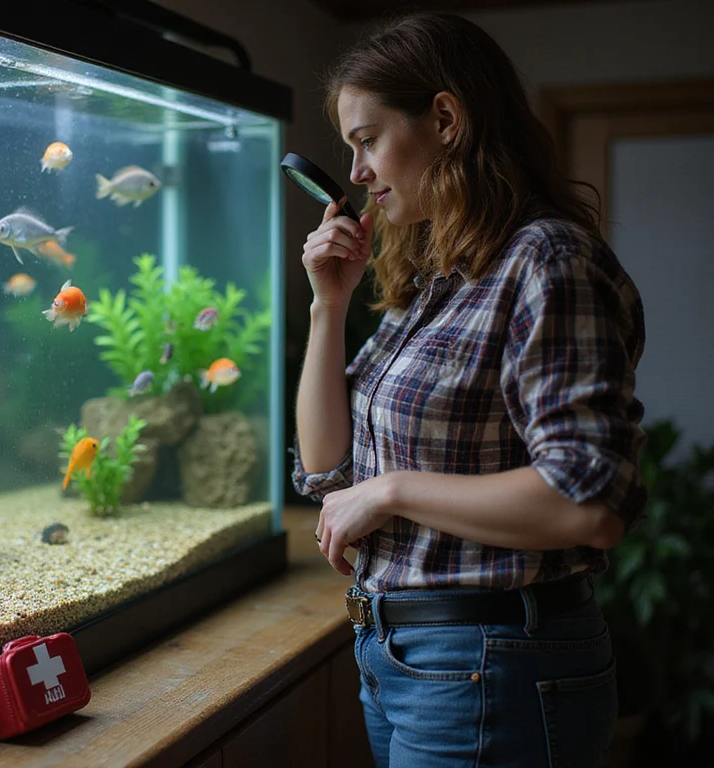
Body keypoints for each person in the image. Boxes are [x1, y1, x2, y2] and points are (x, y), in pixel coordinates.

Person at [292, 11, 645, 768]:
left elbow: (589, 506)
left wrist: (388, 494)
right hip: (400, 656)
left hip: (496, 658)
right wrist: (329, 305)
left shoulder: (547, 261)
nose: (356, 172)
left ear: (445, 119)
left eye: (368, 139)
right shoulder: (440, 280)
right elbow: (328, 471)